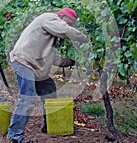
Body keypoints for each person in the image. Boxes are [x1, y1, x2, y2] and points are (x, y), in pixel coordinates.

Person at [7, 8, 88, 143]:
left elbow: (55, 59)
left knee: (49, 90)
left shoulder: (49, 36)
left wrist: (73, 61)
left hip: (35, 66)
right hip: (23, 61)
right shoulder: (49, 18)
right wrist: (84, 39)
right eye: (69, 22)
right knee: (28, 97)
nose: (69, 26)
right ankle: (14, 136)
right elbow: (65, 30)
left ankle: (49, 124)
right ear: (61, 16)